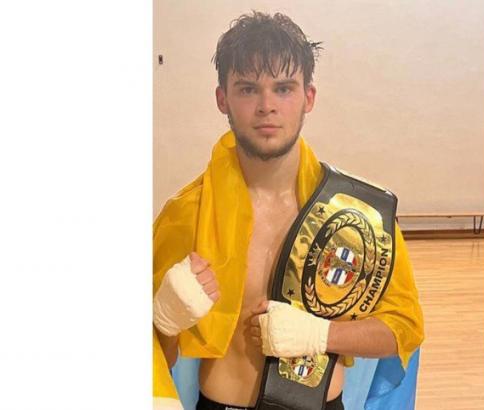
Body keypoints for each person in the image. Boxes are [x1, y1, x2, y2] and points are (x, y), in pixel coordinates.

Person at [152, 11, 424, 410]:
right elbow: (156, 360)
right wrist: (162, 322)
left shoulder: (357, 213)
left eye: (283, 89)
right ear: (222, 98)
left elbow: (402, 328)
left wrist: (322, 335)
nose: (267, 106)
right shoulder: (186, 215)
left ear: (308, 97)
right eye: (248, 89)